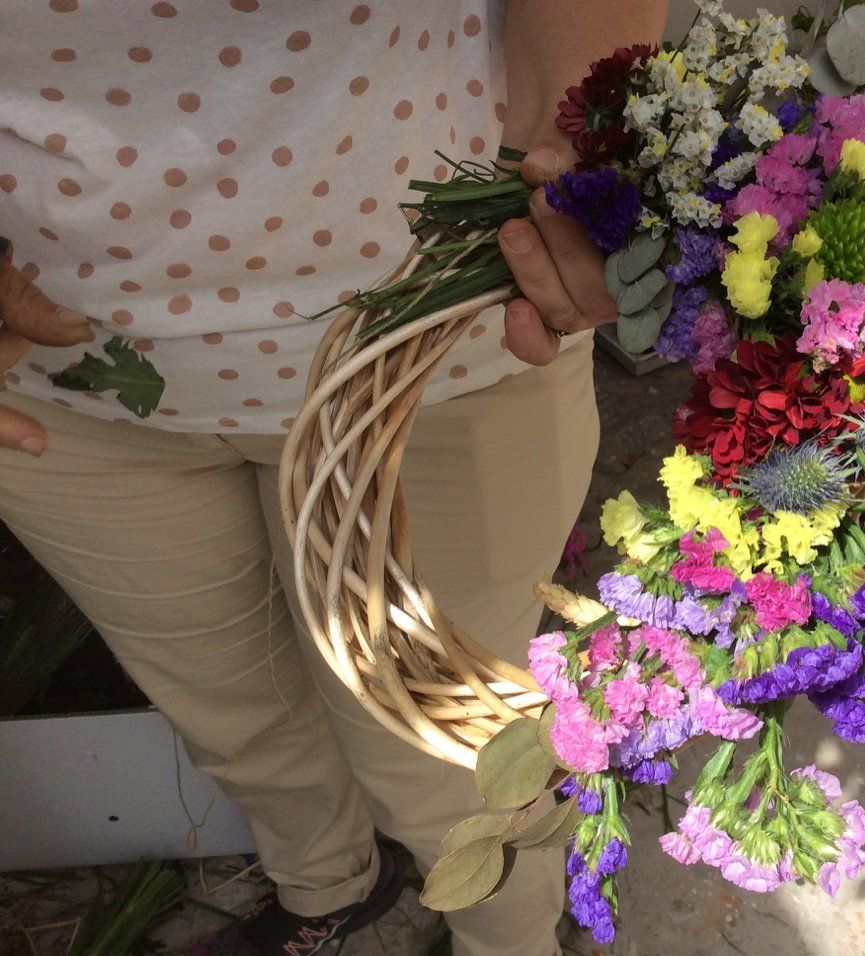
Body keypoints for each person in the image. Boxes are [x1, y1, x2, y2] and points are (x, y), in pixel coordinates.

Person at [0, 2, 667, 954]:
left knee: (453, 755)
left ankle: (508, 942)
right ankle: (327, 888)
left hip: (437, 350)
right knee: (236, 716)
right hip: (63, 393)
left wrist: (578, 138)